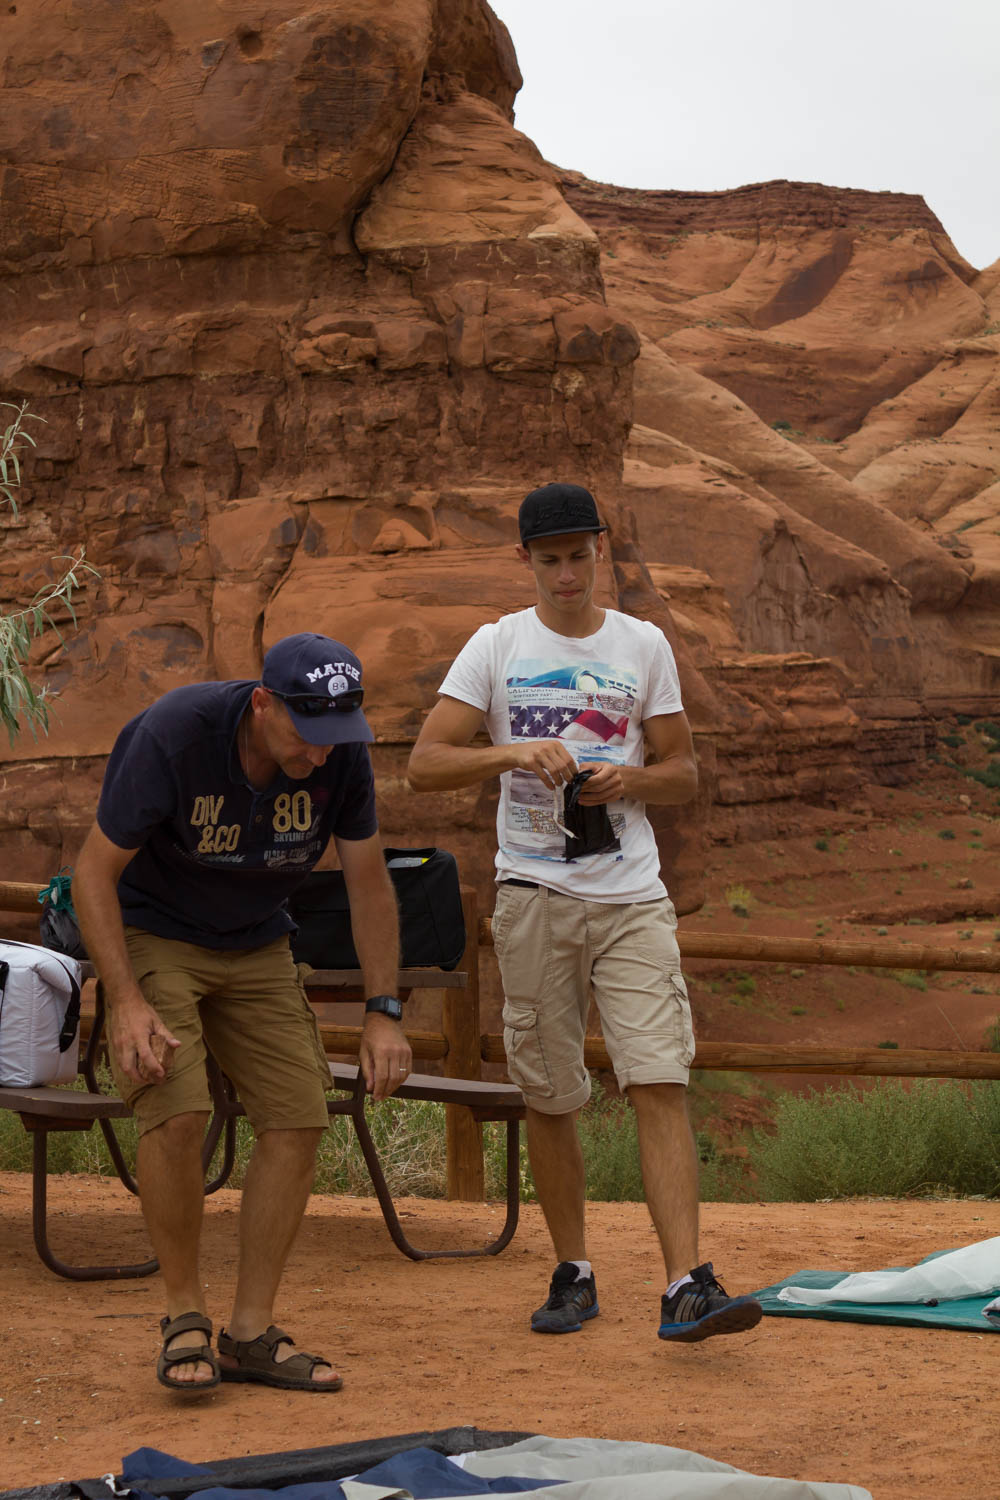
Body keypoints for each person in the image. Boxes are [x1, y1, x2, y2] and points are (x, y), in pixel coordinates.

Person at [407, 483, 762, 1344]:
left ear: (600, 549)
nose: (567, 574)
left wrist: (626, 779)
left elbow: (683, 772)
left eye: (578, 555)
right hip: (534, 895)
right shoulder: (496, 646)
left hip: (632, 894)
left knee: (659, 1079)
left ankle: (685, 1284)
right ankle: (574, 1272)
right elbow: (425, 763)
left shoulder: (643, 644)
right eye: (549, 559)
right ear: (525, 560)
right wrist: (513, 753)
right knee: (551, 1093)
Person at [74, 633, 411, 1393]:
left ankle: (250, 1334)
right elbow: (93, 872)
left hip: (257, 937)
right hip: (155, 930)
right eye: (307, 732)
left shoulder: (341, 755)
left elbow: (368, 883)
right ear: (263, 704)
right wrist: (124, 999)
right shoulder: (177, 735)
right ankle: (183, 1316)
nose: (320, 753)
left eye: (337, 735)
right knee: (177, 1106)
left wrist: (383, 1010)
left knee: (298, 1117)